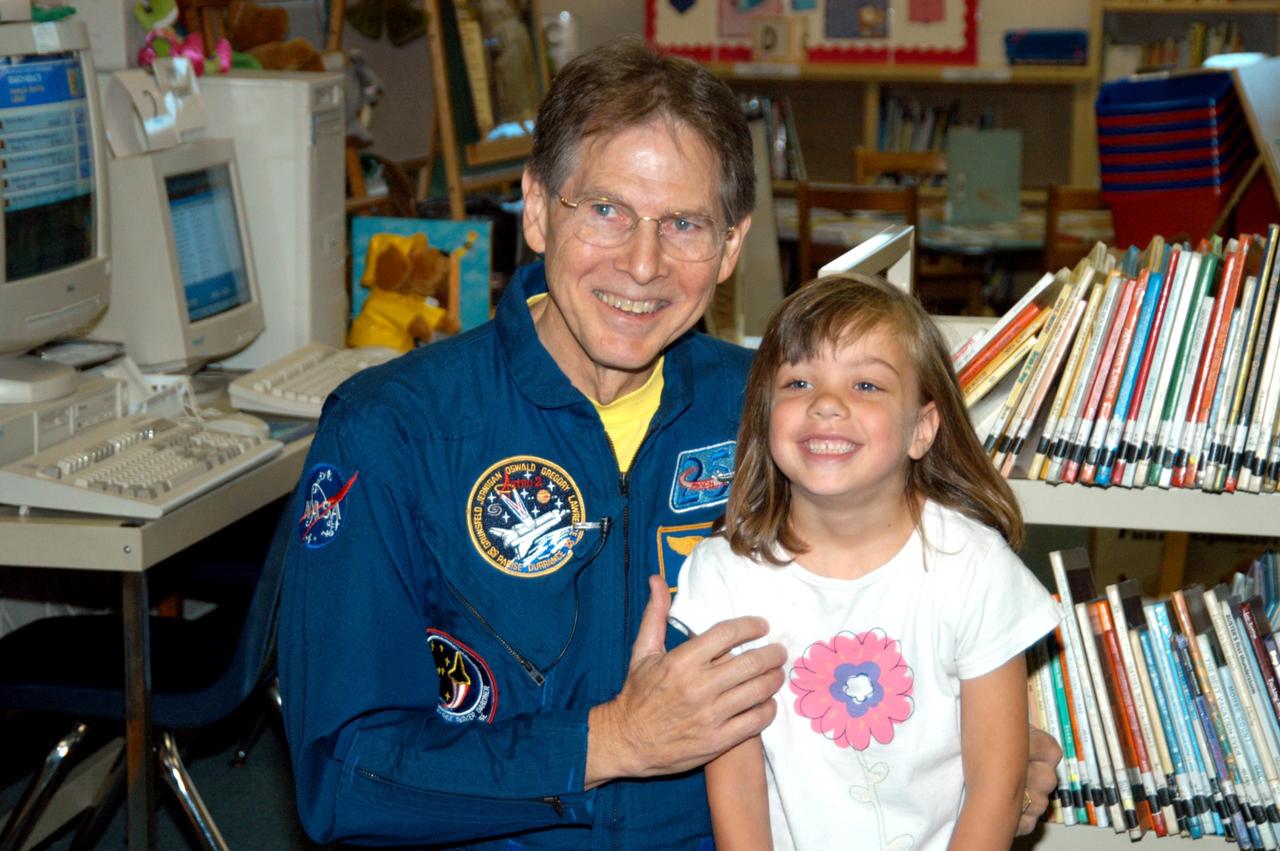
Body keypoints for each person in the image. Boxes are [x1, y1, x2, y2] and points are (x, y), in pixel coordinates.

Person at [277, 38, 1061, 850]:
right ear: (539, 209)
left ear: (729, 248)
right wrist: (612, 741)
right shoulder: (392, 431)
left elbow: (929, 589)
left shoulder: (783, 412)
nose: (643, 263)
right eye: (608, 210)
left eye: (683, 223)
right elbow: (343, 777)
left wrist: (992, 746)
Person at [669, 275, 1061, 850]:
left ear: (921, 429)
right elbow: (737, 787)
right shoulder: (723, 574)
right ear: (765, 416)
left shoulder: (974, 568)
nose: (827, 403)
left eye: (867, 384)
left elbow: (996, 787)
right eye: (799, 381)